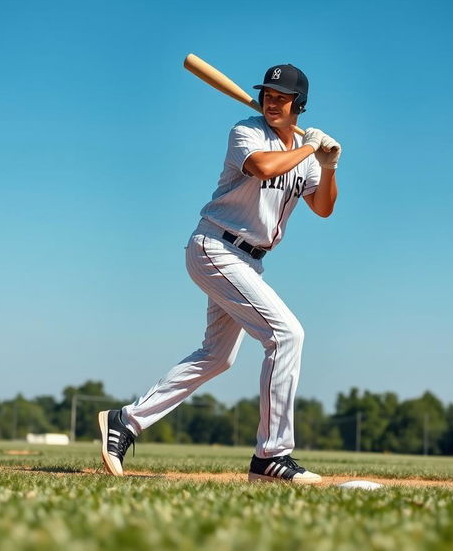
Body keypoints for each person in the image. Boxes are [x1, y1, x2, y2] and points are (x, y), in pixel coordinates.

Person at [99, 63, 341, 484]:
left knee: (217, 356)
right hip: (215, 246)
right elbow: (265, 168)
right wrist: (308, 149)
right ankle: (272, 455)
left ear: (299, 104)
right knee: (286, 335)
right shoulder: (246, 131)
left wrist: (330, 165)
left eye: (281, 96)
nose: (271, 99)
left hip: (249, 260)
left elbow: (323, 207)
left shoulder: (304, 154)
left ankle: (126, 420)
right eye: (268, 92)